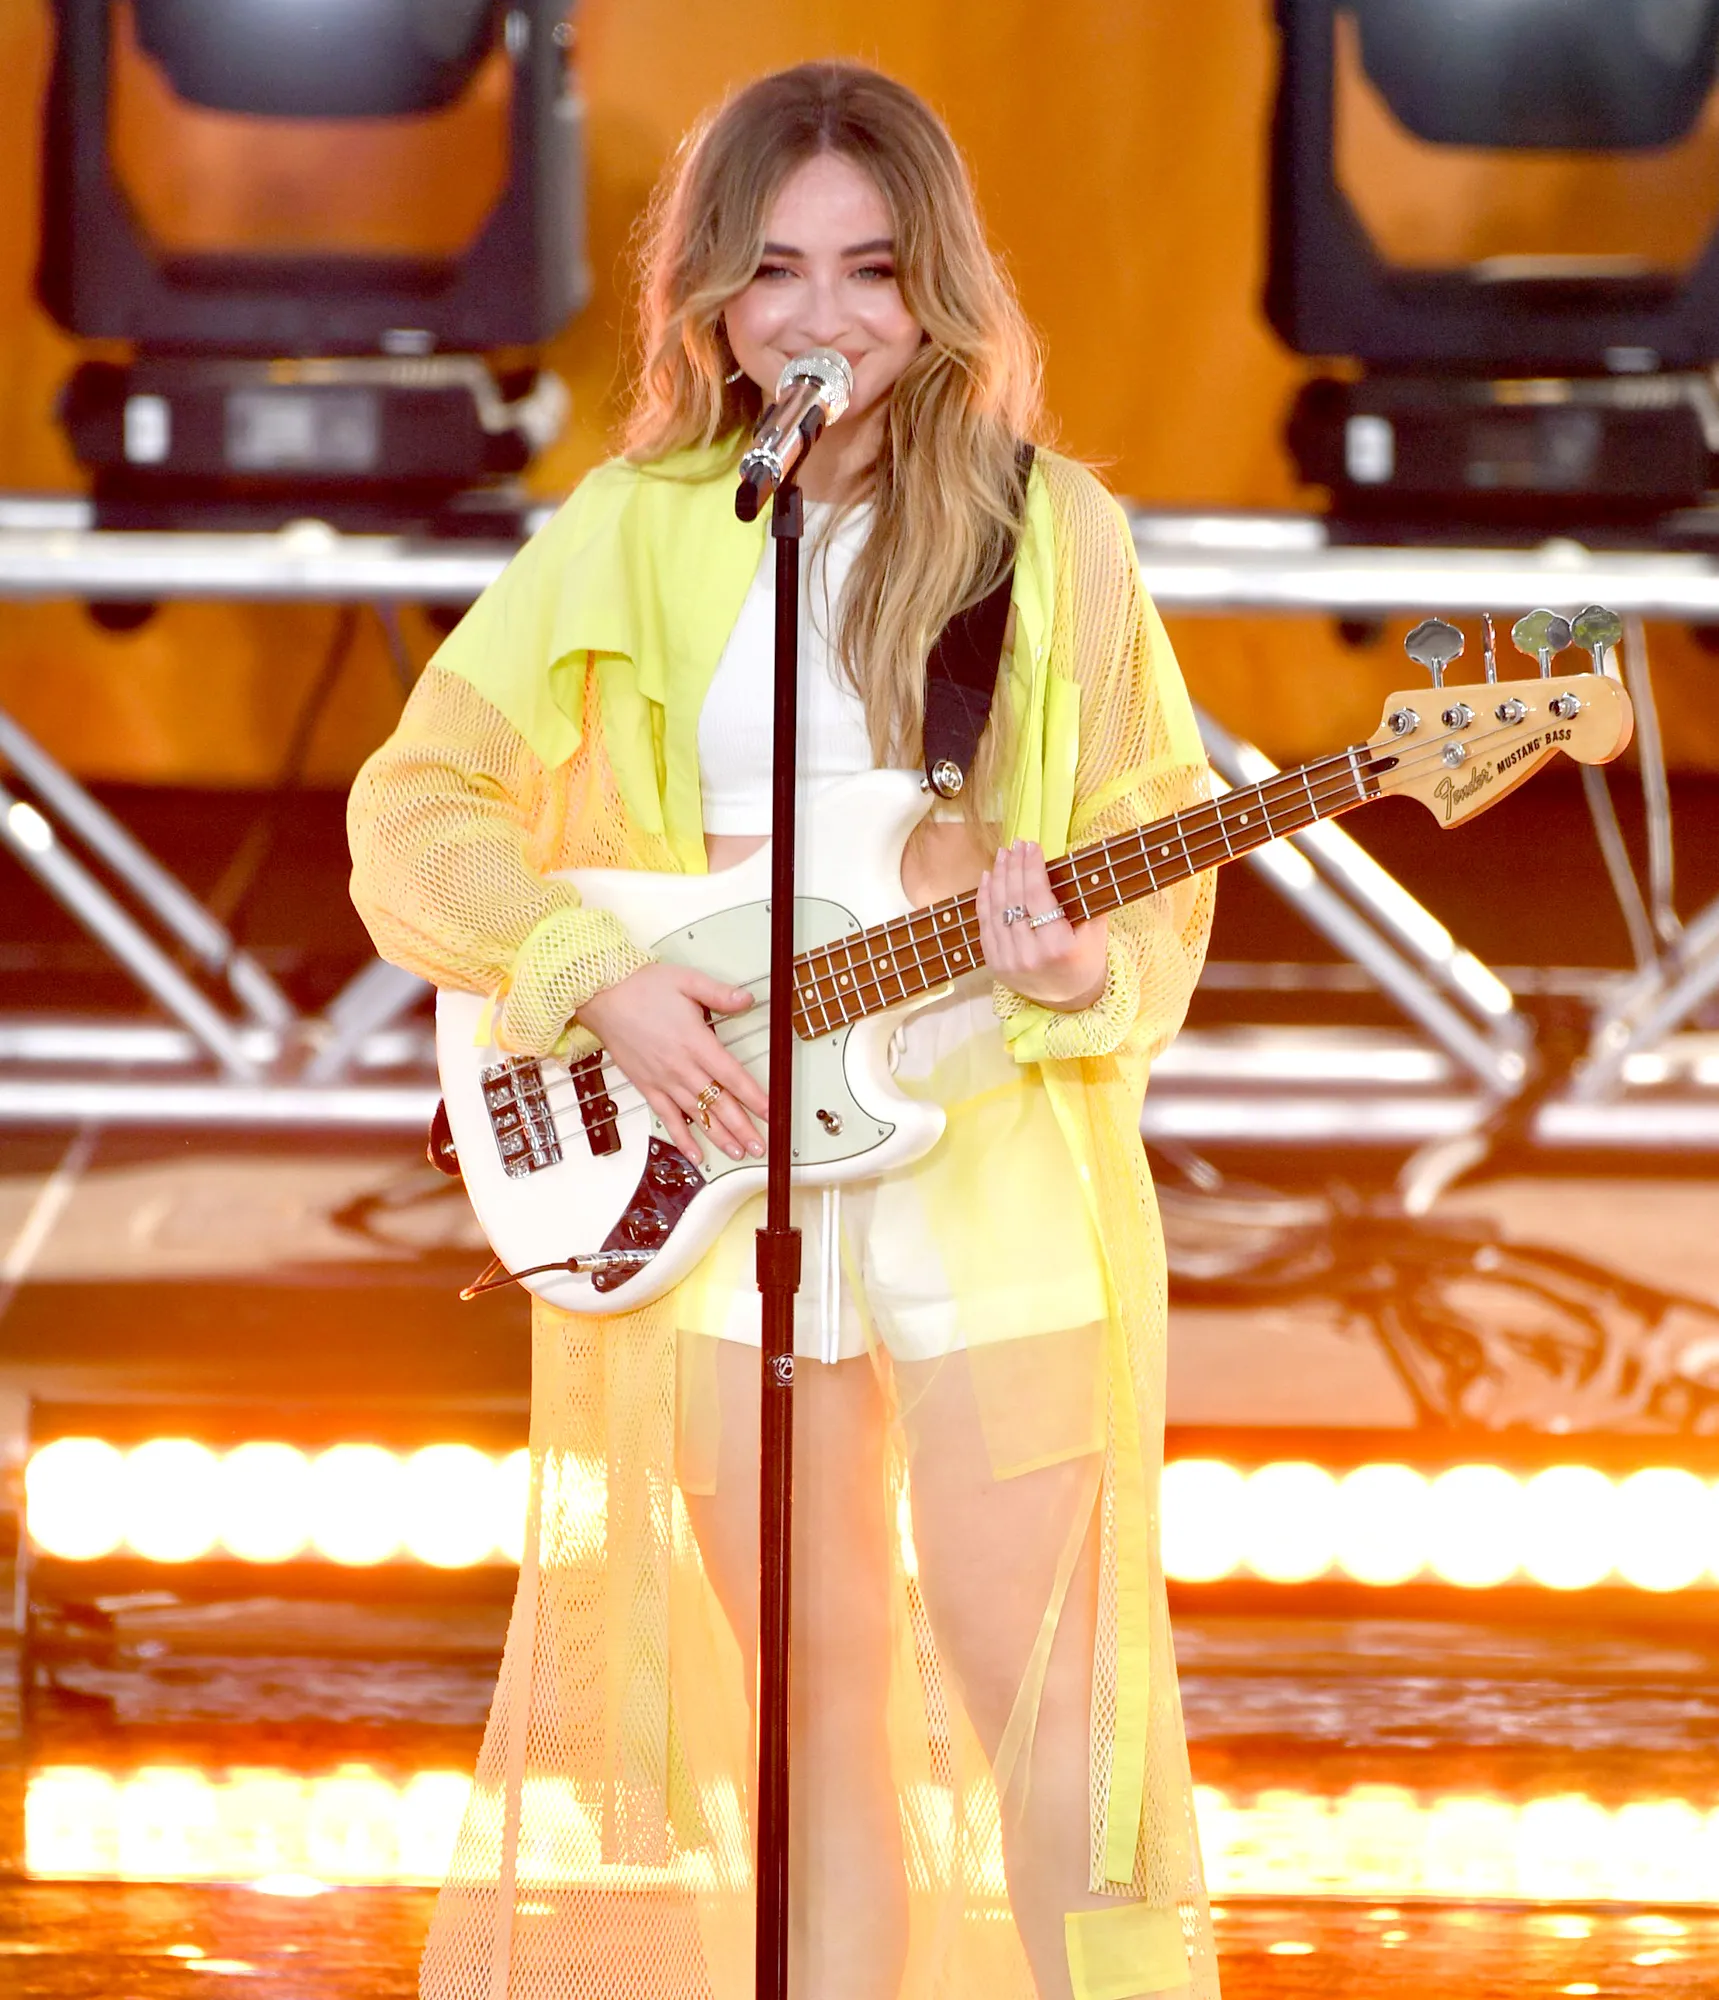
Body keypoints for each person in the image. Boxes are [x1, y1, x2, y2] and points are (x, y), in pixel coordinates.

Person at [348, 60, 1218, 2000]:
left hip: (984, 1153)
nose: (823, 314)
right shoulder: (635, 528)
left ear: (939, 288)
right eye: (777, 269)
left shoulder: (1047, 528)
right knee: (808, 1720)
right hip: (729, 1156)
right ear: (713, 296)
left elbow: (1152, 840)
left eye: (872, 270)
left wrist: (1077, 967)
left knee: (1053, 1715)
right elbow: (412, 815)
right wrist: (593, 974)